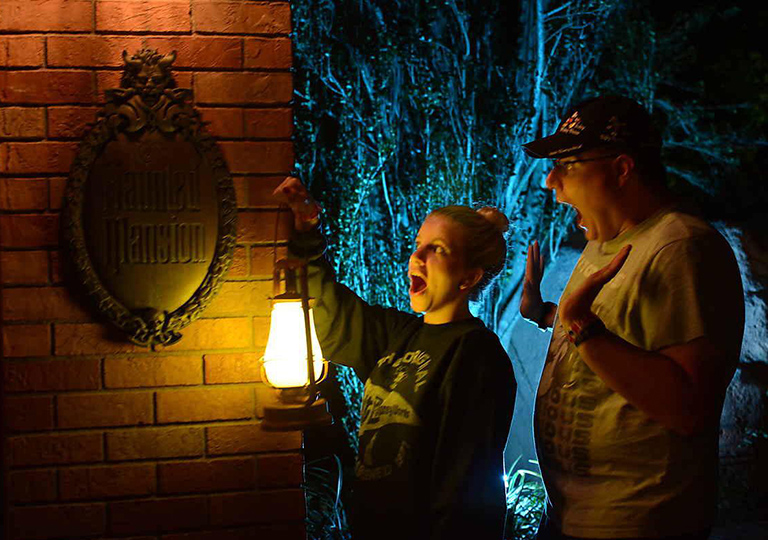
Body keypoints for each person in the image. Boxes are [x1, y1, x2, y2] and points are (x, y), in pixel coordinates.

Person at [519, 95, 744, 540]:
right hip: (571, 516)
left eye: (567, 165)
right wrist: (545, 314)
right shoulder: (604, 240)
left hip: (638, 522)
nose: (550, 181)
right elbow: (622, 329)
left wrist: (581, 326)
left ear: (622, 169)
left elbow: (688, 408)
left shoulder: (681, 248)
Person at [274, 176, 517, 540]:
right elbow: (328, 317)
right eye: (418, 245)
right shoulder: (396, 334)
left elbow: (465, 487)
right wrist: (307, 231)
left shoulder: (477, 355)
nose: (416, 257)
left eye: (437, 249)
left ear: (469, 277)